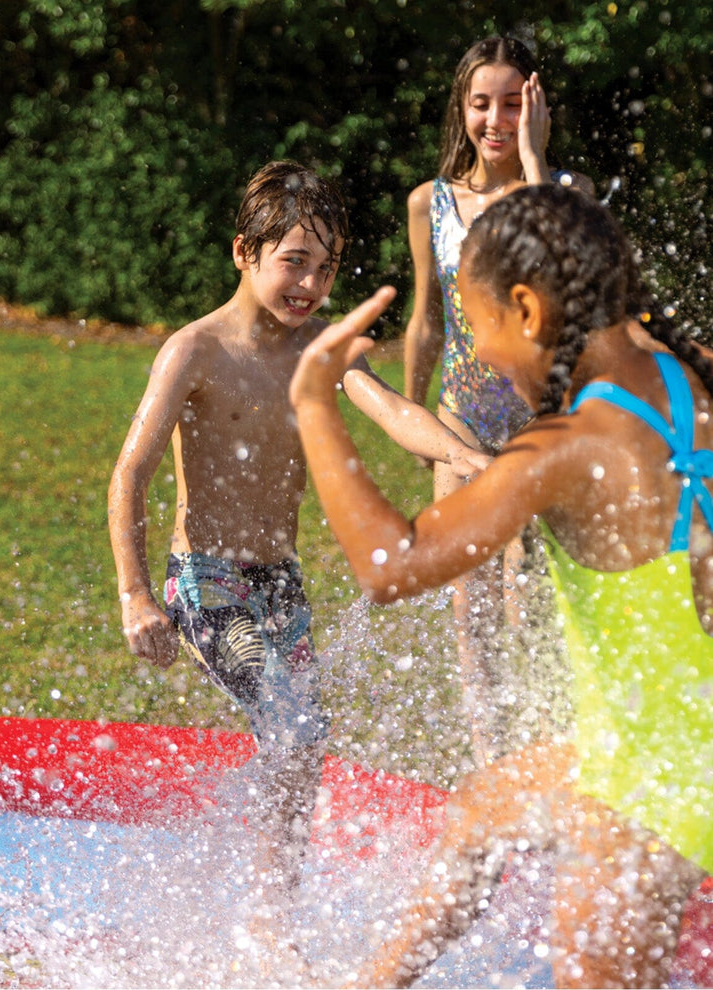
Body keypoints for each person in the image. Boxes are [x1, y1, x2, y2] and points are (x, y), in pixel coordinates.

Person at [289, 183, 712, 988]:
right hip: (675, 743)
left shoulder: (570, 444)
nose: (477, 353)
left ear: (526, 309)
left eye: (479, 326)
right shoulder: (686, 376)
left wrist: (315, 406)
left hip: (649, 793)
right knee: (483, 811)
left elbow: (391, 566)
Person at [107, 160, 488, 929]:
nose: (310, 285)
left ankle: (270, 900)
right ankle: (258, 908)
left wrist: (466, 456)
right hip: (205, 579)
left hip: (280, 582)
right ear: (244, 252)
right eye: (293, 262)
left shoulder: (321, 349)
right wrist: (136, 593)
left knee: (304, 743)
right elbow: (131, 474)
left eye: (325, 267)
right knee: (294, 726)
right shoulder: (196, 351)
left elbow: (389, 411)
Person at [402, 36, 594, 762]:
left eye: (513, 104)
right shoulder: (432, 202)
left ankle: (544, 752)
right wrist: (416, 419)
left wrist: (538, 164)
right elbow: (426, 319)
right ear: (462, 107)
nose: (495, 119)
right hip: (462, 420)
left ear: (536, 110)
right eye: (482, 103)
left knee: (528, 598)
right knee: (469, 603)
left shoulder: (565, 193)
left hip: (542, 423)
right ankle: (491, 762)